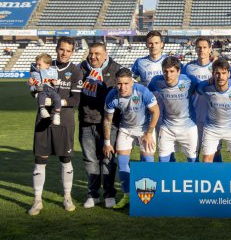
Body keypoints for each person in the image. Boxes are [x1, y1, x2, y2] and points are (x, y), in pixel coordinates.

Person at [27, 36, 83, 216]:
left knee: (65, 160)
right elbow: (33, 91)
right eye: (62, 49)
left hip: (64, 121)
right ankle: (37, 200)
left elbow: (76, 100)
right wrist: (34, 90)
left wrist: (58, 102)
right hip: (43, 120)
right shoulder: (43, 66)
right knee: (40, 160)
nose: (64, 53)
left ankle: (67, 197)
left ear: (73, 52)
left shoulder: (75, 72)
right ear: (56, 48)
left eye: (68, 50)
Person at [103, 68, 159, 209]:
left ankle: (149, 197)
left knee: (148, 161)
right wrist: (107, 143)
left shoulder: (142, 91)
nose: (122, 87)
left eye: (126, 83)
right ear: (116, 83)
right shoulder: (112, 95)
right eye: (119, 84)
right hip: (126, 129)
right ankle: (127, 195)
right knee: (122, 161)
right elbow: (107, 120)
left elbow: (155, 111)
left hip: (144, 129)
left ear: (132, 82)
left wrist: (149, 133)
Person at [78, 43, 121, 209]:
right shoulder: (81, 69)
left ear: (105, 54)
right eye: (91, 53)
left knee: (108, 160)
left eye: (97, 54)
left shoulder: (116, 68)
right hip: (87, 122)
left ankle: (109, 193)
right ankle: (93, 194)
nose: (93, 57)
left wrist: (100, 84)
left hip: (110, 123)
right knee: (90, 160)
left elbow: (121, 94)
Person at [131, 30, 176, 161]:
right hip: (146, 110)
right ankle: (146, 172)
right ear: (146, 44)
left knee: (168, 146)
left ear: (162, 44)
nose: (153, 46)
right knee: (146, 143)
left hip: (167, 110)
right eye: (150, 43)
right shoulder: (139, 62)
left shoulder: (170, 63)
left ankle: (169, 177)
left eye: (156, 43)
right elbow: (131, 80)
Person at [148, 57, 198, 162]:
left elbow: (204, 87)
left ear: (178, 71)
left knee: (193, 162)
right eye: (165, 71)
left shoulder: (189, 80)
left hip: (188, 127)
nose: (168, 75)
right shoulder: (156, 81)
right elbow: (147, 93)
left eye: (172, 71)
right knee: (163, 161)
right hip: (167, 127)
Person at [197, 59, 231, 163]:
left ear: (229, 74)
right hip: (212, 128)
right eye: (217, 73)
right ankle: (209, 179)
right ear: (213, 74)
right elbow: (196, 89)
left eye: (224, 73)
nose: (220, 76)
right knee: (206, 160)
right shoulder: (205, 87)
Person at [182, 37, 222, 162]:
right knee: (194, 150)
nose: (202, 50)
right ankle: (196, 179)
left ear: (210, 49)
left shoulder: (217, 68)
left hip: (213, 116)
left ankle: (217, 179)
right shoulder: (188, 68)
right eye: (199, 47)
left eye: (205, 47)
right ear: (195, 48)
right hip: (194, 116)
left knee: (215, 151)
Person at [29, 53, 62, 126]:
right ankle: (42, 109)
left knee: (58, 98)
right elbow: (32, 88)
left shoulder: (53, 72)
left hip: (51, 90)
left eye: (39, 64)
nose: (37, 66)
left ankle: (57, 115)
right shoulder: (36, 74)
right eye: (36, 64)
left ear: (47, 65)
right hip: (43, 90)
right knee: (41, 95)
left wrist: (55, 84)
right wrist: (32, 86)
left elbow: (56, 85)